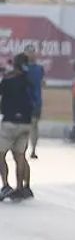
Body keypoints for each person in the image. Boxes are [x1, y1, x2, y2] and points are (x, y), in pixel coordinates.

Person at [0, 53, 36, 200]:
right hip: (26, 123)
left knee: (1, 154)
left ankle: (6, 185)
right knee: (20, 156)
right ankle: (20, 188)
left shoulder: (8, 80)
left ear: (14, 65)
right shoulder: (30, 81)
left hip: (10, 123)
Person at [23, 46, 44, 160]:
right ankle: (22, 148)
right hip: (24, 101)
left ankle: (33, 149)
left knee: (34, 125)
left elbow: (41, 81)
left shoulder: (39, 68)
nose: (31, 55)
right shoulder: (22, 68)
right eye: (29, 52)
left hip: (36, 101)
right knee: (24, 126)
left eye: (33, 52)